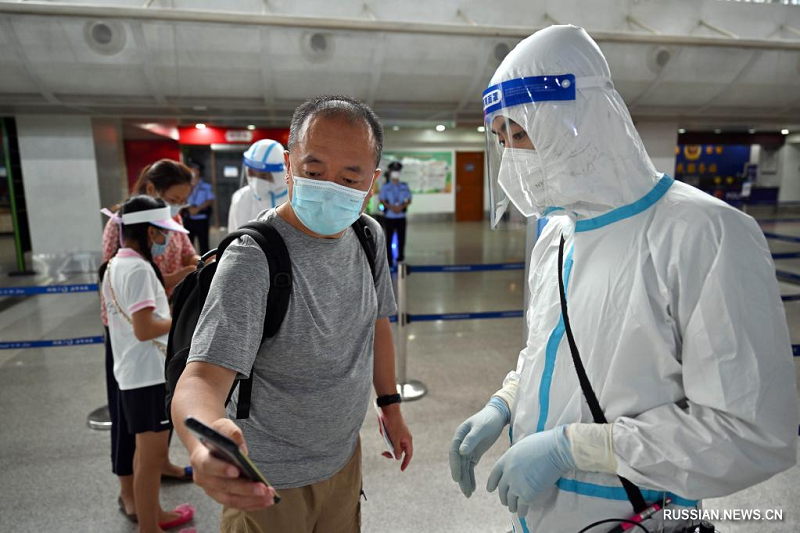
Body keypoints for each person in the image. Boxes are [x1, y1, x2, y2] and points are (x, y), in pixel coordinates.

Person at [449, 25, 798, 533]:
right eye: (501, 139)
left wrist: (575, 448)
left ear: (579, 118)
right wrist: (505, 403)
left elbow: (750, 432)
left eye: (520, 134)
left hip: (633, 518)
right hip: (537, 517)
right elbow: (551, 353)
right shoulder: (557, 236)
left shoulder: (705, 233)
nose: (512, 159)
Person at [172, 95, 414, 533]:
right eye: (314, 171)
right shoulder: (254, 257)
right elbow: (202, 378)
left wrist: (390, 405)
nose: (330, 187)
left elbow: (377, 325)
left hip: (343, 458)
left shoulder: (367, 236)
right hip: (268, 478)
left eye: (349, 177)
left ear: (372, 181)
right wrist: (201, 444)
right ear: (289, 165)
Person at [100, 159, 199, 520]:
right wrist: (180, 323)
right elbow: (143, 326)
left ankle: (151, 511)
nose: (166, 235)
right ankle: (144, 512)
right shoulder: (136, 264)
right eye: (160, 232)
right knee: (143, 444)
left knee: (150, 447)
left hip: (138, 360)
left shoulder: (119, 264)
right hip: (144, 363)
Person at [228, 139, 288, 232]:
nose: (257, 182)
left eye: (264, 176)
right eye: (252, 174)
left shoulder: (295, 198)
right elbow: (234, 236)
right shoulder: (241, 198)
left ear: (280, 175)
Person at [378, 161, 412, 265]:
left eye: (397, 171)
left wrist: (402, 207)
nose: (395, 173)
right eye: (394, 171)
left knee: (402, 238)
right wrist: (391, 208)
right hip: (389, 217)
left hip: (401, 216)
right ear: (390, 172)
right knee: (389, 239)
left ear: (399, 173)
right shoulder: (386, 187)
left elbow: (409, 199)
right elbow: (382, 200)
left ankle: (400, 257)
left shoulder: (404, 186)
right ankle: (390, 259)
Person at [182, 168, 215, 254]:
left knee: (204, 246)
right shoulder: (186, 185)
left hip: (201, 219)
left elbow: (210, 199)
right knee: (188, 245)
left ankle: (205, 266)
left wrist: (198, 208)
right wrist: (188, 208)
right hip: (188, 219)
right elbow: (182, 198)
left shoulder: (205, 186)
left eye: (193, 169)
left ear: (198, 171)